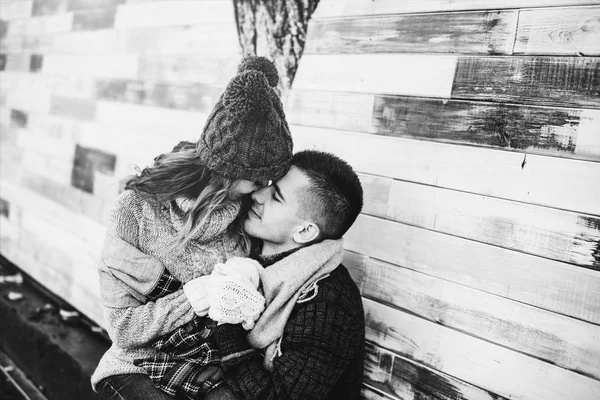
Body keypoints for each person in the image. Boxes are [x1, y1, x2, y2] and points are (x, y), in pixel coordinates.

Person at [91, 55, 293, 400]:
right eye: (260, 179)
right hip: (140, 363)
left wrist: (247, 282)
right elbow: (124, 328)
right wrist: (198, 296)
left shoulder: (247, 215)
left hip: (211, 367)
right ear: (229, 171)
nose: (263, 192)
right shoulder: (139, 211)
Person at [135, 150, 366, 400]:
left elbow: (276, 397)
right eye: (268, 185)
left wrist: (227, 318)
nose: (256, 194)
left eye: (276, 197)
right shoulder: (243, 251)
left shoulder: (329, 302)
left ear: (305, 231)